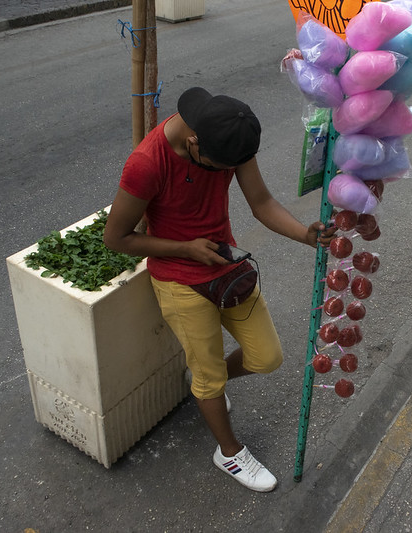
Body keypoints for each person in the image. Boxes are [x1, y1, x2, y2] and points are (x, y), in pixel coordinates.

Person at [104, 87, 334, 492]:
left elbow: (261, 202)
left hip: (227, 266)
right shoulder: (146, 163)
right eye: (216, 167)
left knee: (267, 357)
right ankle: (228, 452)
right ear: (194, 143)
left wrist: (305, 234)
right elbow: (117, 239)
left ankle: (205, 386)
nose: (222, 174)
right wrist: (185, 248)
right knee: (209, 379)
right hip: (179, 278)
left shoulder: (229, 136)